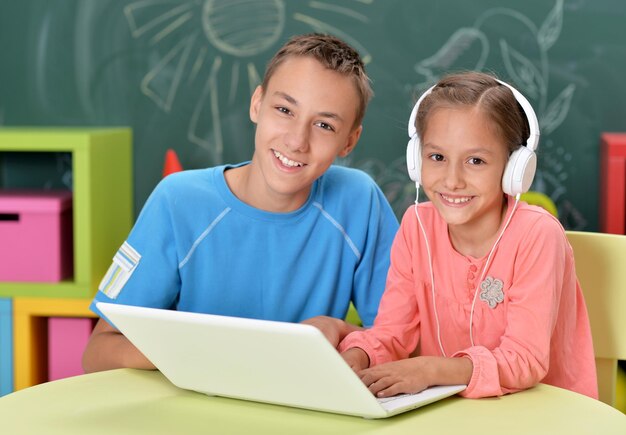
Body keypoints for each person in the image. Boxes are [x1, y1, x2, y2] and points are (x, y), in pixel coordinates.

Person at [83, 33, 399, 373]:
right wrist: (217, 355)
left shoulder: (359, 202)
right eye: (284, 110)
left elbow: (404, 339)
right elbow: (99, 352)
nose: (296, 140)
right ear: (256, 104)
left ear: (350, 140)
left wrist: (338, 330)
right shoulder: (178, 201)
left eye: (324, 125)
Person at [339, 71, 598, 400]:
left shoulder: (537, 235)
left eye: (475, 160)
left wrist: (431, 370)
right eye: (437, 157)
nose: (452, 180)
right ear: (416, 161)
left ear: (514, 168)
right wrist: (356, 357)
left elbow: (525, 360)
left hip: (545, 414)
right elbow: (392, 332)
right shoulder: (416, 227)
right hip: (456, 414)